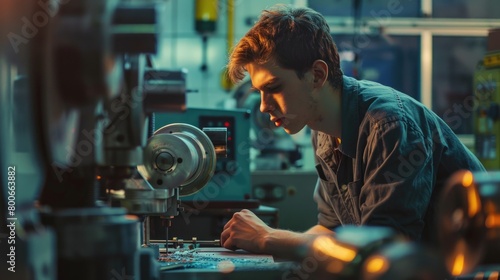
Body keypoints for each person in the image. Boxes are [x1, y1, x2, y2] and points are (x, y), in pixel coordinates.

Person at [220, 5, 485, 259]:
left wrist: (268, 238)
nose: (264, 106)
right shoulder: (321, 130)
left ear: (316, 75)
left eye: (274, 87)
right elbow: (331, 231)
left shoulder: (388, 124)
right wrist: (265, 247)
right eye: (260, 93)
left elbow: (383, 248)